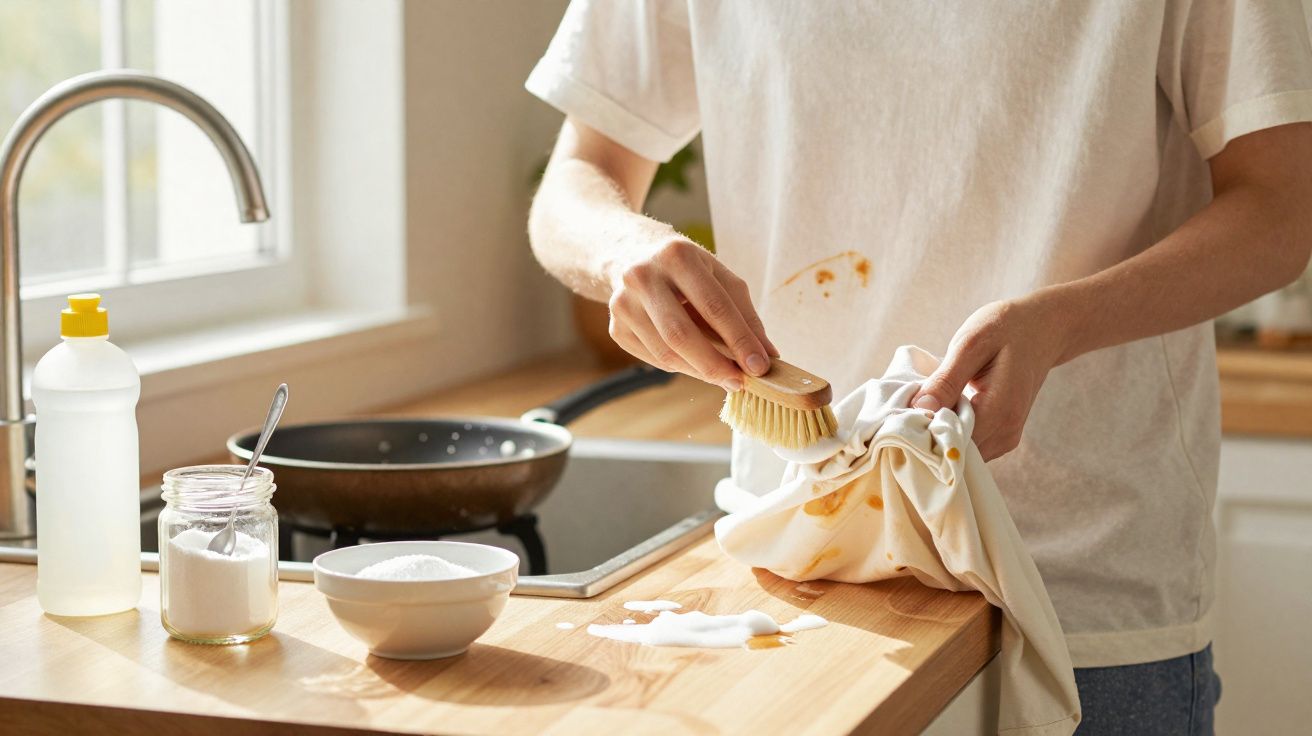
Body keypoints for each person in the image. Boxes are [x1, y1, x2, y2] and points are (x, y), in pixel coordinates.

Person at [524, 2, 1312, 733]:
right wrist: (620, 251)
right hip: (796, 581)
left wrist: (1063, 322)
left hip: (1082, 598)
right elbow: (578, 175)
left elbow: (1281, 208)